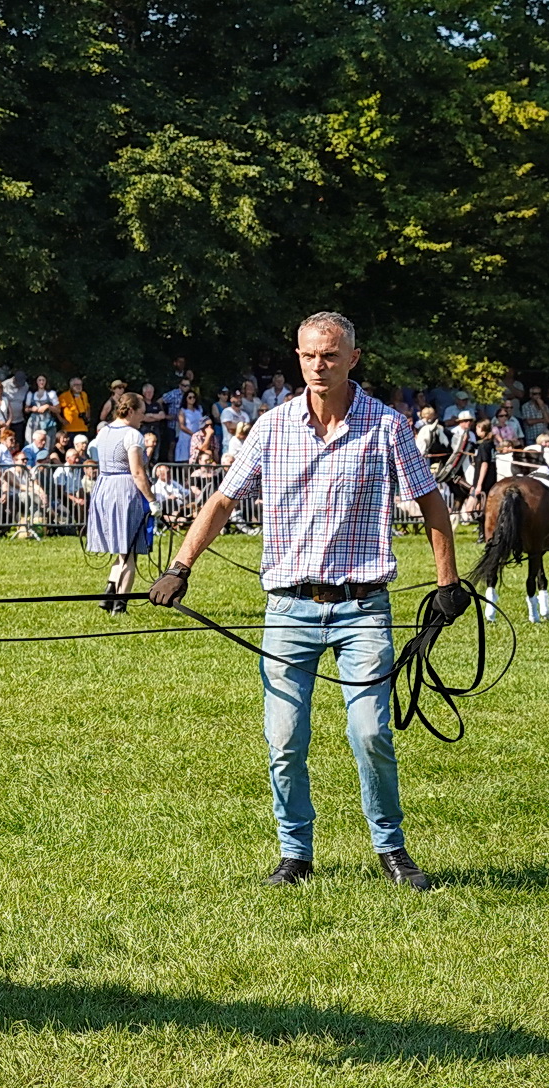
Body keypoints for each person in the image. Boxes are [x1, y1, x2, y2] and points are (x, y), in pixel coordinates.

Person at [148, 312, 468, 891]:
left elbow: (431, 504)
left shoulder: (388, 426)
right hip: (288, 609)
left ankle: (391, 848)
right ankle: (295, 853)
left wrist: (447, 582)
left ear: (353, 357)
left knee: (370, 733)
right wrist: (180, 566)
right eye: (308, 355)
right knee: (284, 739)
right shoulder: (271, 427)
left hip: (363, 607)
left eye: (330, 355)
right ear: (297, 357)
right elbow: (222, 501)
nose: (318, 365)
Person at [87, 392, 156, 612]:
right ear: (132, 411)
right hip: (125, 491)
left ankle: (108, 595)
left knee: (122, 549)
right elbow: (137, 472)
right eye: (141, 413)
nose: (143, 417)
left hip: (104, 487)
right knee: (129, 551)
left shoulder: (104, 431)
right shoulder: (133, 435)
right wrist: (152, 500)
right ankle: (120, 605)